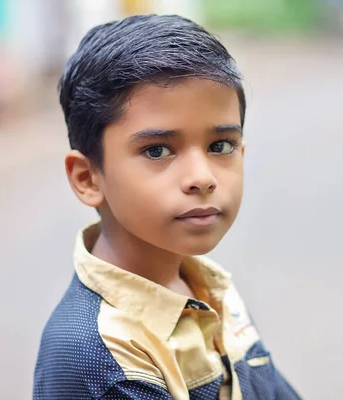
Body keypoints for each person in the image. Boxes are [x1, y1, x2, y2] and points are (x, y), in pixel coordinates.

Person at [33, 14, 300, 400]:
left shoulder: (207, 288)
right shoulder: (100, 356)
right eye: (157, 151)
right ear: (87, 178)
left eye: (220, 146)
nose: (202, 177)